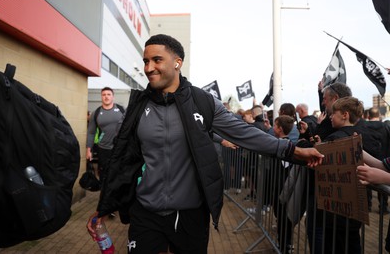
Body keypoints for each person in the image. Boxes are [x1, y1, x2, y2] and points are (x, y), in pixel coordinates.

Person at [86, 34, 323, 254]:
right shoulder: (138, 105)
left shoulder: (202, 102)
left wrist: (292, 151)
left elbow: (245, 133)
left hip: (190, 213)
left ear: (177, 62)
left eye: (157, 60)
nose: (149, 68)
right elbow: (122, 160)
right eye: (146, 61)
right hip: (146, 211)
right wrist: (105, 206)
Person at [315, 96, 364, 254]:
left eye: (334, 113)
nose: (330, 116)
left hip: (335, 211)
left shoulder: (335, 138)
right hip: (356, 207)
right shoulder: (361, 135)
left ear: (345, 115)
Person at [86, 87, 125, 183]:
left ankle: (117, 196)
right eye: (104, 95)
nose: (106, 97)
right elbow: (91, 132)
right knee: (104, 175)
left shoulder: (121, 110)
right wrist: (88, 150)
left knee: (119, 174)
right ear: (101, 97)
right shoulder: (96, 113)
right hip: (103, 149)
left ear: (113, 97)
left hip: (120, 148)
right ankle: (104, 195)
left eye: (108, 94)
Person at [272, 115, 296, 254]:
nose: (273, 128)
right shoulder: (282, 143)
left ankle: (285, 245)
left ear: (280, 128)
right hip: (280, 187)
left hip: (282, 188)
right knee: (281, 217)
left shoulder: (284, 146)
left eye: (275, 125)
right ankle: (284, 242)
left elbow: (286, 167)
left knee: (283, 218)